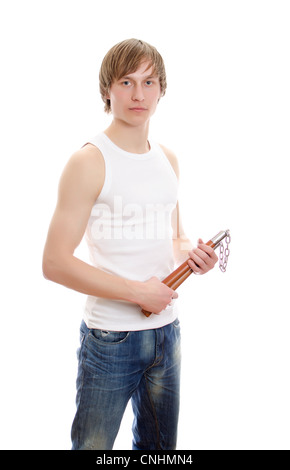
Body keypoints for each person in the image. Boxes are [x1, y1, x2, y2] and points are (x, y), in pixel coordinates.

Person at [42, 38, 218, 450]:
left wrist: (191, 255)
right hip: (110, 338)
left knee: (160, 452)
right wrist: (139, 292)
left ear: (161, 89)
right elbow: (54, 262)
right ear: (108, 89)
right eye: (126, 81)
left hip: (166, 333)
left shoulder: (168, 159)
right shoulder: (89, 161)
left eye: (149, 82)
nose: (139, 94)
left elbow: (172, 236)